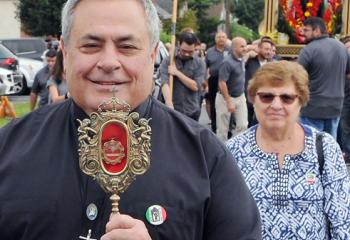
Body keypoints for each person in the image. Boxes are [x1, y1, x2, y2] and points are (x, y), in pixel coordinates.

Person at [0, 0, 261, 239]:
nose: (109, 62)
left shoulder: (205, 157)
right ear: (66, 54)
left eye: (127, 46)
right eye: (91, 45)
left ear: (151, 55)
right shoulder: (9, 147)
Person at [226, 60, 350, 239]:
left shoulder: (324, 148)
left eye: (287, 98)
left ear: (301, 101)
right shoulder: (233, 151)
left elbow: (342, 220)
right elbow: (224, 219)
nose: (276, 105)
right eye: (267, 96)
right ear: (253, 99)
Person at [298, 17, 350, 139]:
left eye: (306, 30)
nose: (303, 34)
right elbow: (348, 74)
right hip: (335, 106)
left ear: (317, 31)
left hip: (313, 107)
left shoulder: (308, 50)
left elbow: (296, 77)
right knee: (329, 145)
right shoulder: (341, 48)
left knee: (310, 146)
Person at [160, 32, 205, 121]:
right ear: (178, 45)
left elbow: (195, 86)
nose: (187, 54)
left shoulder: (199, 63)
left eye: (190, 51)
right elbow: (164, 83)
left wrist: (177, 72)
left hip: (191, 111)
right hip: (172, 109)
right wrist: (169, 103)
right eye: (184, 51)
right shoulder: (168, 60)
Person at [216, 37, 248, 142]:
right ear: (234, 47)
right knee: (222, 129)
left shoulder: (242, 58)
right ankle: (222, 153)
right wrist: (228, 100)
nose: (245, 48)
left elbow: (253, 49)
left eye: (245, 45)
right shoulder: (227, 62)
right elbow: (222, 82)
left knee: (243, 125)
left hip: (240, 96)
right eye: (242, 46)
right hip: (225, 98)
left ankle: (236, 147)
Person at [205, 31, 230, 133]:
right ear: (215, 39)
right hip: (214, 80)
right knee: (214, 103)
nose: (221, 39)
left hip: (228, 80)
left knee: (228, 103)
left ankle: (228, 127)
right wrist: (205, 83)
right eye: (219, 37)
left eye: (223, 37)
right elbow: (205, 67)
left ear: (226, 38)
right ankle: (215, 126)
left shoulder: (231, 51)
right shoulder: (210, 51)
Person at [245, 39, 273, 127]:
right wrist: (250, 49)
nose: (268, 52)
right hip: (249, 98)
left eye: (270, 49)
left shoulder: (272, 64)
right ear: (259, 49)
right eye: (266, 49)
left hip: (264, 99)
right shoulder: (250, 60)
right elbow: (240, 56)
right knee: (246, 124)